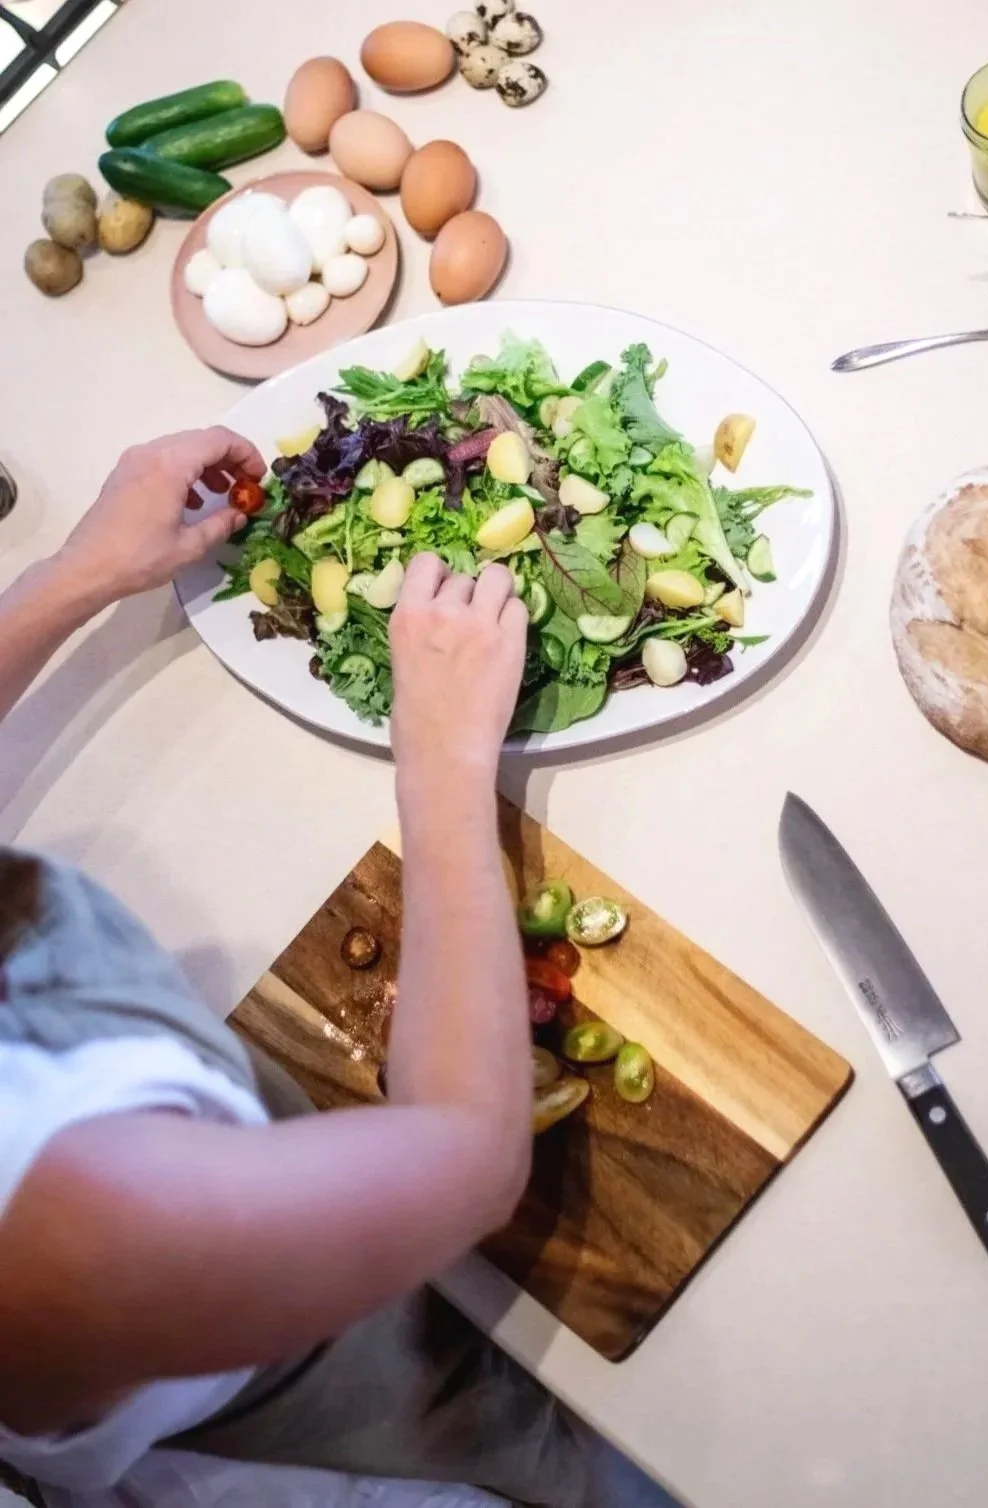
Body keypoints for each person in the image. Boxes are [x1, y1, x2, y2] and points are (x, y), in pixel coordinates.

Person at [0, 430, 667, 1508]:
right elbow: (467, 1158)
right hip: (302, 1420)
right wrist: (443, 756)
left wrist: (70, 575)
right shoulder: (57, 1223)